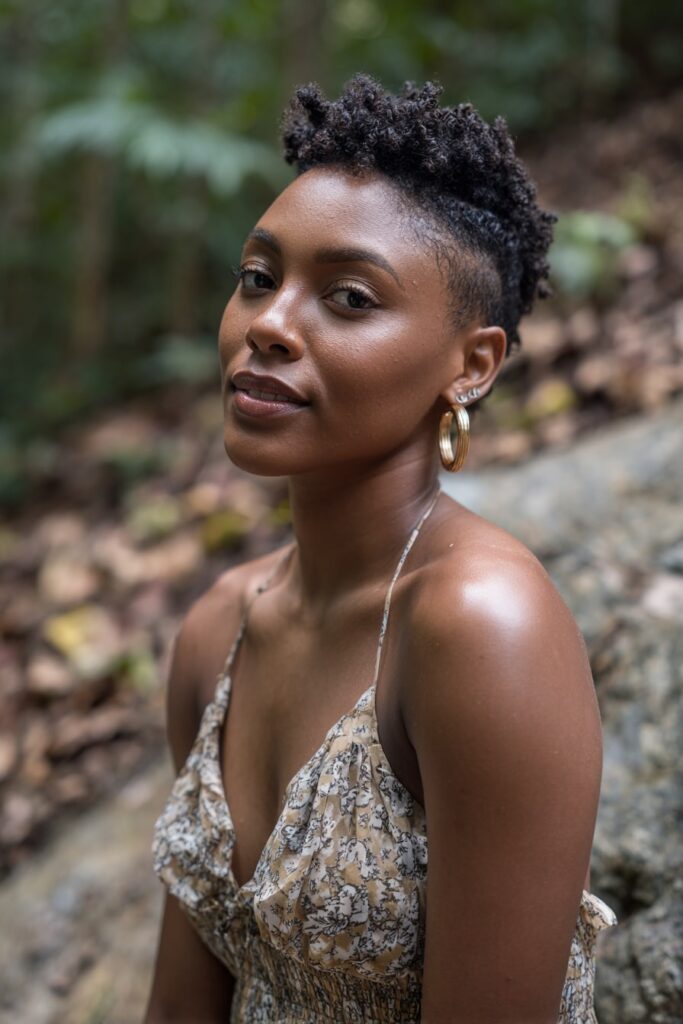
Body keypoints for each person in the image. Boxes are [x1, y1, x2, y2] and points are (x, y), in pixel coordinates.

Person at [144, 74, 616, 1024]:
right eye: (258, 278)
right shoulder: (217, 633)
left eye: (349, 298)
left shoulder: (481, 628)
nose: (269, 325)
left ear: (471, 365)